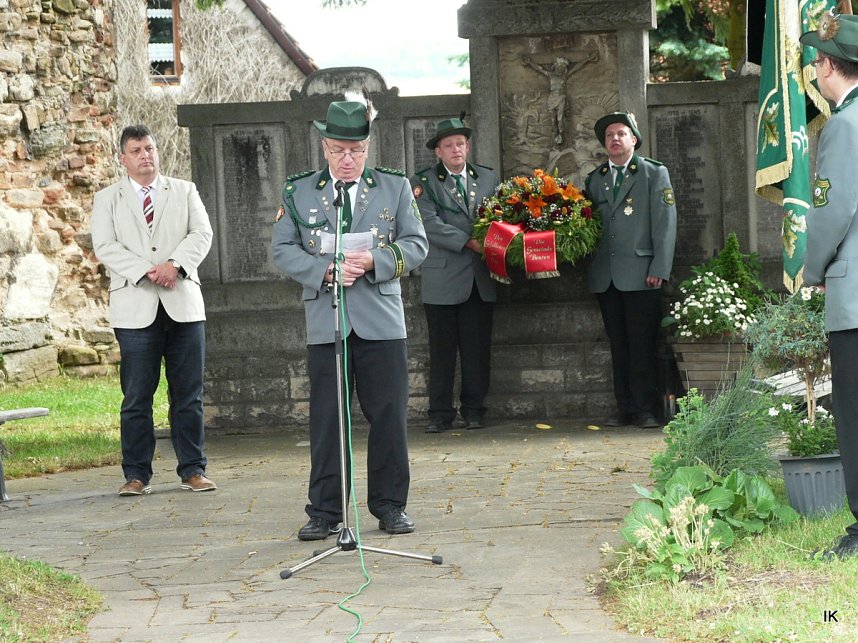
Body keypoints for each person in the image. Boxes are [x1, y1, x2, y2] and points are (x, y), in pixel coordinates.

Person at [271, 95, 428, 541]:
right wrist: (324, 269)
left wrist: (375, 260)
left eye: (356, 151)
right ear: (323, 147)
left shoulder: (394, 187)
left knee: (389, 416)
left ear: (368, 147)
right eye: (338, 150)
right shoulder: (299, 191)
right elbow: (281, 249)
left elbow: (417, 244)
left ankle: (390, 506)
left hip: (380, 321)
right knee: (326, 420)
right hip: (328, 321)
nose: (347, 159)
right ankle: (324, 510)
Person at [91, 125, 216, 496]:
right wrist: (147, 270)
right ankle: (136, 474)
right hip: (135, 306)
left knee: (188, 393)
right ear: (123, 158)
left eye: (149, 148)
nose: (146, 155)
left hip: (182, 304)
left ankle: (193, 469)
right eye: (136, 150)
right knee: (136, 395)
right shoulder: (106, 199)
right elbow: (105, 245)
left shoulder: (184, 190)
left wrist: (174, 265)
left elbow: (202, 233)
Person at [801, 12, 858, 559]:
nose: (815, 70)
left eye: (817, 60)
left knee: (855, 410)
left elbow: (832, 210)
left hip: (854, 297)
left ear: (830, 66)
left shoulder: (843, 125)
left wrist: (811, 270)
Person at [584, 112, 677, 429]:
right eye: (609, 135)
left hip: (642, 273)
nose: (614, 139)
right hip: (606, 275)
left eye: (621, 133)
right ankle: (623, 406)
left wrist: (659, 267)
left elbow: (665, 223)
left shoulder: (652, 173)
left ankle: (645, 408)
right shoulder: (595, 180)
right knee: (618, 344)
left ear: (634, 139)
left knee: (642, 344)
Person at [410, 117, 498, 433]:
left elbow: (500, 216)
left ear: (467, 146)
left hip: (479, 279)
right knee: (442, 351)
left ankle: (475, 410)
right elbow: (428, 223)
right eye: (449, 145)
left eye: (460, 143)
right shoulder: (423, 182)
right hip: (443, 278)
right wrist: (471, 242)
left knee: (477, 350)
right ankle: (440, 414)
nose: (456, 149)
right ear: (438, 152)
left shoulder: (486, 178)